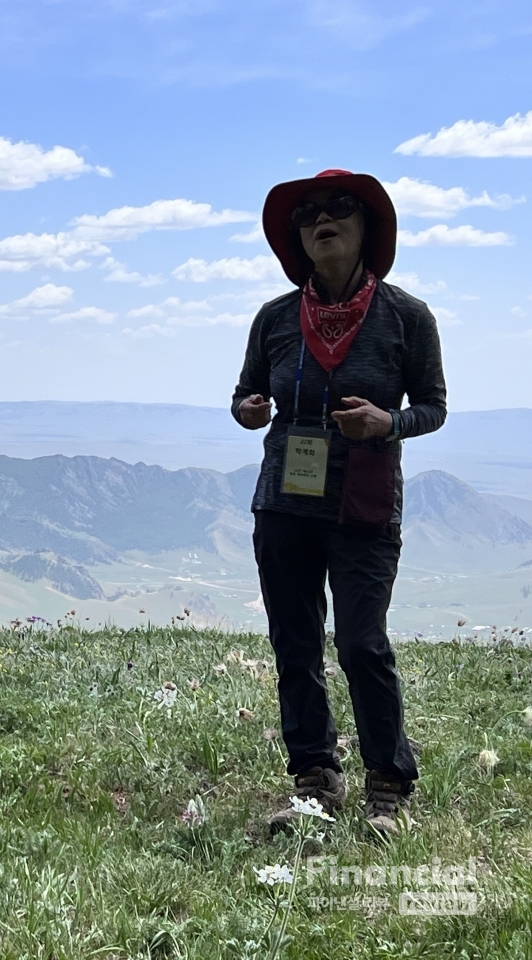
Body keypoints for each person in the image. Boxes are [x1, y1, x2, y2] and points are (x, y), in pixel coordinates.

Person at [231, 169, 447, 836]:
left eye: (339, 209)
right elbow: (242, 396)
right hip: (283, 506)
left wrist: (389, 423)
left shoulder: (406, 317)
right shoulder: (273, 318)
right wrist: (248, 409)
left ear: (366, 229)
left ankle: (389, 785)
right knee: (294, 644)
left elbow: (434, 409)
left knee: (361, 642)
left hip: (364, 508)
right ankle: (314, 781)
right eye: (308, 215)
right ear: (297, 239)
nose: (321, 219)